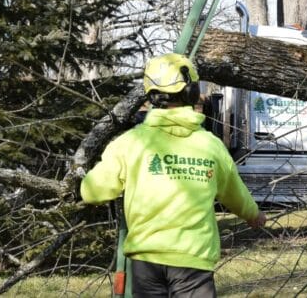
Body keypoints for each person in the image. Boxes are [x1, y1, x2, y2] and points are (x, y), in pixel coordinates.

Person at [81, 53, 266, 297]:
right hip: (193, 260)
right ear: (191, 92)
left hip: (145, 259)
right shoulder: (210, 145)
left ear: (151, 96)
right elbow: (234, 192)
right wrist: (253, 215)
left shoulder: (130, 143)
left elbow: (91, 192)